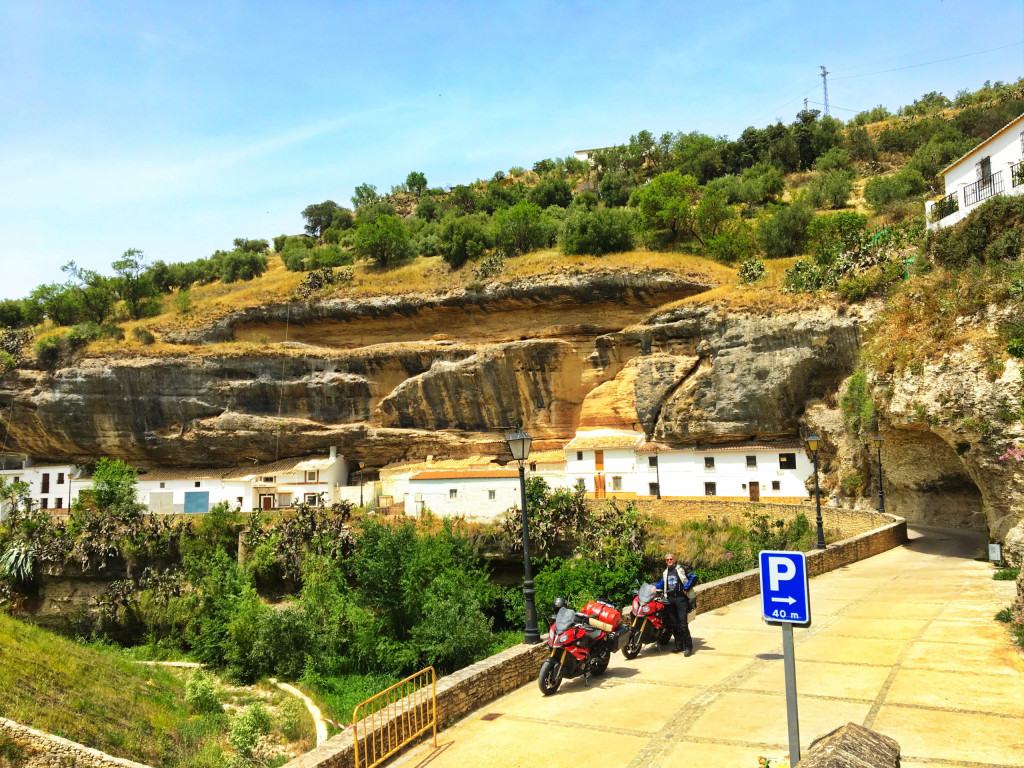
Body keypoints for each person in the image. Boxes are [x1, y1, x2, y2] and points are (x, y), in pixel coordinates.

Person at [653, 552, 695, 656]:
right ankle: (678, 645)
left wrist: (686, 588)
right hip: (670, 600)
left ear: (674, 560)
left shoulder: (681, 569)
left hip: (681, 599)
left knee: (682, 624)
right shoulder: (666, 572)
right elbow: (661, 584)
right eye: (667, 560)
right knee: (674, 624)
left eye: (671, 559)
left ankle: (688, 647)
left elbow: (694, 577)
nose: (669, 561)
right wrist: (652, 586)